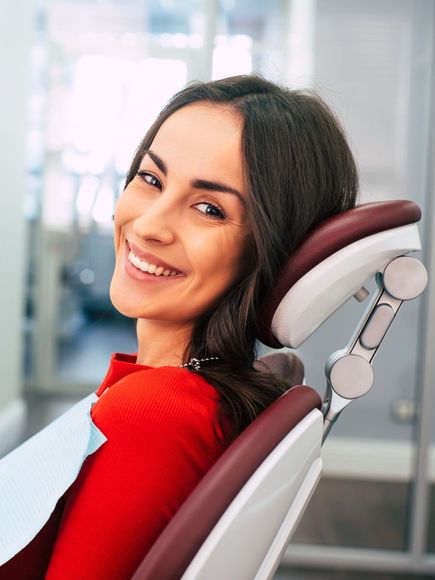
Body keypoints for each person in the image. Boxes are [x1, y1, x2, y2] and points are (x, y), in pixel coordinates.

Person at [0, 74, 358, 579]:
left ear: (270, 249)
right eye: (151, 179)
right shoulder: (179, 395)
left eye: (209, 209)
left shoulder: (156, 414)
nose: (148, 225)